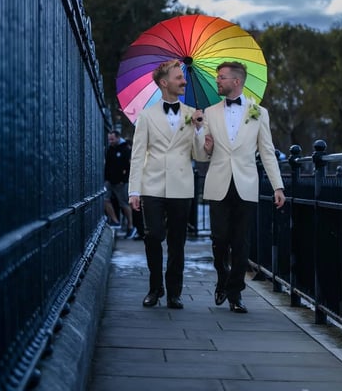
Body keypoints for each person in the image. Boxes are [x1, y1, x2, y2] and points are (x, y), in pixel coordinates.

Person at [196, 61, 285, 313]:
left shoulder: (259, 112)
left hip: (246, 184)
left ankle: (235, 293)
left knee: (241, 241)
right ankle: (222, 277)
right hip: (218, 183)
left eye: (221, 77)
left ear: (236, 81)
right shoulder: (209, 112)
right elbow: (202, 155)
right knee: (219, 239)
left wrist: (278, 187)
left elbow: (267, 151)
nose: (217, 81)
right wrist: (204, 140)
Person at [128, 59, 203, 309]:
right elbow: (138, 154)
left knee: (177, 242)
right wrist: (134, 190)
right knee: (153, 236)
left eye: (183, 77)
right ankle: (155, 287)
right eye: (178, 77)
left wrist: (199, 130)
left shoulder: (192, 114)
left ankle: (174, 293)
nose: (183, 82)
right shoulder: (146, 116)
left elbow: (200, 155)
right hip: (152, 185)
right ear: (164, 83)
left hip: (181, 186)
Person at [104, 130, 136, 238]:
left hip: (121, 182)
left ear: (118, 138)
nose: (110, 141)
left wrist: (124, 179)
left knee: (124, 204)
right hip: (110, 181)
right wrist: (106, 178)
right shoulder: (111, 149)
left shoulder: (125, 149)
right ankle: (115, 221)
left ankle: (131, 226)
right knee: (105, 199)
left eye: (112, 139)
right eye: (109, 139)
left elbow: (129, 166)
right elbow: (108, 165)